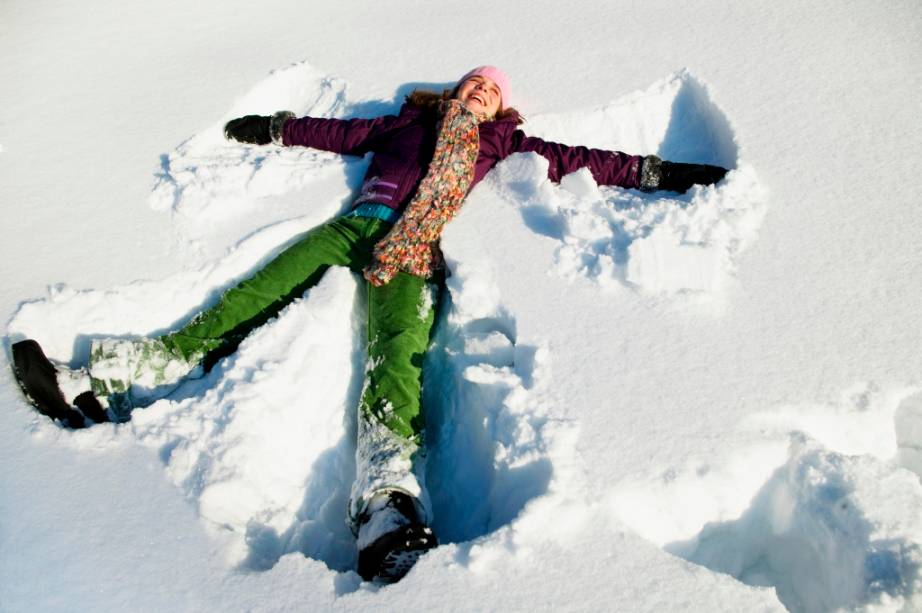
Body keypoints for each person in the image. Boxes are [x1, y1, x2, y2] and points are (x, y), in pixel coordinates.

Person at [10, 66, 728, 582]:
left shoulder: (500, 146)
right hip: (355, 226)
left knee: (400, 356)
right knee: (242, 301)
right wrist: (282, 128)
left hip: (414, 255)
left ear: (500, 110)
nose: (481, 94)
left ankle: (386, 504)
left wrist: (659, 174)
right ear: (455, 91)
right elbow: (340, 131)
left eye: (494, 93)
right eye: (474, 84)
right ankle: (97, 378)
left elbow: (583, 161)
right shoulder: (406, 122)